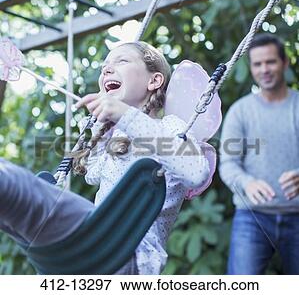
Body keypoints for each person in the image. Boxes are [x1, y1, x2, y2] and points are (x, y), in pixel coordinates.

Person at [0, 41, 214, 274]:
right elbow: (94, 176)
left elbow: (196, 172)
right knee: (15, 210)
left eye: (121, 61)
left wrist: (125, 115)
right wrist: (103, 130)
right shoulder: (116, 134)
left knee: (14, 186)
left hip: (126, 252)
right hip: (89, 252)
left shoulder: (170, 127)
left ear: (154, 81)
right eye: (104, 66)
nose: (107, 70)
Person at [219, 33, 299, 275]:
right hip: (252, 217)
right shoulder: (240, 111)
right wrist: (247, 182)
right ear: (251, 67)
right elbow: (228, 164)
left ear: (284, 63)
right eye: (257, 64)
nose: (264, 69)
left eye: (271, 62)